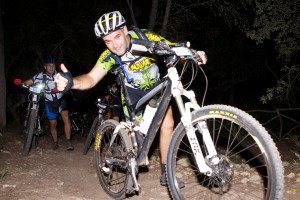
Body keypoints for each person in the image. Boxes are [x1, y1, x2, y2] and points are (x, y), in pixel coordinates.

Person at [55, 11, 207, 186]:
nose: (114, 45)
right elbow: (91, 78)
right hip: (132, 93)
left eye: (117, 37)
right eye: (108, 41)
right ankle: (124, 156)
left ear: (125, 30)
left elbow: (171, 46)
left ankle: (166, 173)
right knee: (135, 139)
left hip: (155, 87)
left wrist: (192, 52)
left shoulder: (144, 36)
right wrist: (72, 82)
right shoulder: (109, 55)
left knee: (168, 123)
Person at [23, 57, 74, 150]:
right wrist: (23, 84)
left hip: (61, 99)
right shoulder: (39, 76)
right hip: (49, 102)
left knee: (66, 118)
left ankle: (68, 141)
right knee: (53, 124)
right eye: (49, 65)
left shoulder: (59, 75)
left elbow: (69, 83)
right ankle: (55, 142)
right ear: (45, 66)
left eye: (53, 65)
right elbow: (29, 82)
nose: (51, 67)